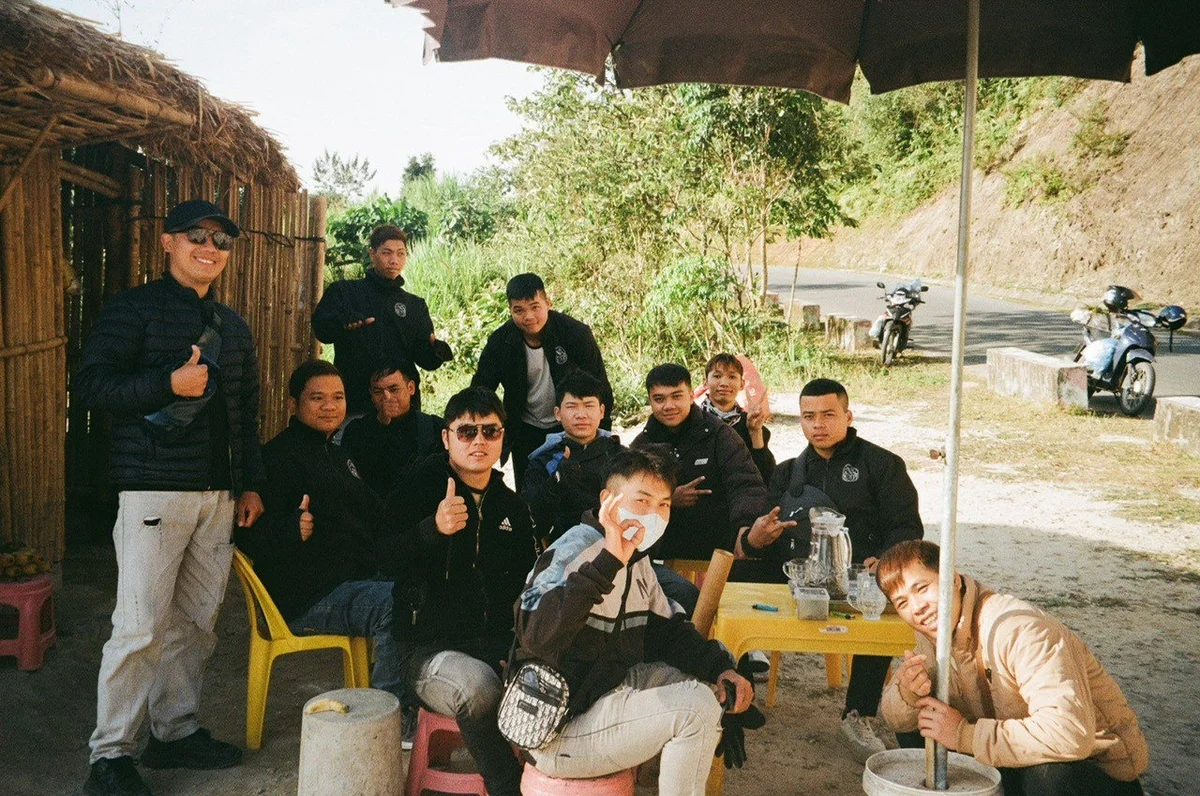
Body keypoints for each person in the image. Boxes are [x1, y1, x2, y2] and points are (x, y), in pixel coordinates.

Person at [75, 199, 265, 796]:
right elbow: (90, 386)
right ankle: (110, 756)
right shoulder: (131, 310)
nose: (210, 249)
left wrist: (249, 481)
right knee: (139, 626)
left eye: (222, 241)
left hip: (218, 494)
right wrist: (168, 383)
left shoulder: (233, 326)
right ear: (167, 243)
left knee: (196, 624)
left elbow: (246, 408)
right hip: (153, 487)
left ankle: (175, 731)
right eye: (196, 237)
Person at [514, 447, 755, 795]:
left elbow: (668, 632)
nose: (653, 515)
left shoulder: (636, 558)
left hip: (605, 694)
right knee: (695, 710)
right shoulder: (572, 550)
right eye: (641, 501)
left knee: (705, 691)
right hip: (556, 729)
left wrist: (720, 670)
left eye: (664, 504)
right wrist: (607, 562)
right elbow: (535, 636)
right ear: (607, 500)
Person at [735, 377, 923, 762]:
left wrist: (885, 559)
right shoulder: (788, 472)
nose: (817, 424)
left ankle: (858, 713)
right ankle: (736, 695)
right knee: (730, 587)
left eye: (827, 414)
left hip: (861, 575)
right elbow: (767, 532)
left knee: (882, 604)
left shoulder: (882, 465)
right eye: (808, 416)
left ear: (847, 415)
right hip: (798, 574)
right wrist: (759, 538)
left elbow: (907, 527)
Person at [878, 540, 1149, 796]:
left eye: (922, 588)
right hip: (1006, 757)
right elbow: (895, 719)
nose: (917, 607)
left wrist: (963, 734)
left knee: (1049, 773)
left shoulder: (1019, 628)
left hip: (1095, 770)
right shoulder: (932, 632)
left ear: (953, 578)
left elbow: (1069, 734)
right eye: (902, 602)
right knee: (921, 722)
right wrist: (909, 693)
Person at [386, 387, 537, 796]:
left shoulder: (511, 506)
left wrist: (522, 649)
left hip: (495, 645)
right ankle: (510, 788)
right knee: (478, 688)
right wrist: (430, 531)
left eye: (490, 431)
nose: (479, 441)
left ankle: (551, 782)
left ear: (504, 437)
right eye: (466, 431)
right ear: (446, 437)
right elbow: (383, 558)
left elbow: (527, 583)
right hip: (426, 650)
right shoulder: (420, 484)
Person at [234, 361, 402, 704]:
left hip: (354, 579)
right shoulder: (276, 459)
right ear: (293, 405)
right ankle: (389, 712)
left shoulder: (338, 455)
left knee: (431, 587)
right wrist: (290, 530)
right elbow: (245, 537)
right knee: (398, 604)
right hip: (307, 597)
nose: (330, 406)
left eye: (338, 397)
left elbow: (378, 515)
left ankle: (417, 698)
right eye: (317, 398)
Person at [631, 364, 769, 615]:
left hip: (717, 541)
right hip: (664, 545)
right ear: (650, 401)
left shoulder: (719, 434)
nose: (668, 406)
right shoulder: (642, 445)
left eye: (676, 396)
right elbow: (627, 500)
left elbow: (746, 484)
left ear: (691, 394)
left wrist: (745, 529)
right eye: (659, 399)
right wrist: (668, 500)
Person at [472, 273, 612, 489]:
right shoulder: (501, 342)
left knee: (577, 488)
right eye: (518, 310)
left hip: (570, 426)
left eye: (535, 307)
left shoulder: (575, 334)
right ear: (510, 310)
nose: (528, 316)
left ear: (548, 303)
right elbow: (481, 390)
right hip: (524, 428)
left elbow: (600, 386)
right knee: (530, 493)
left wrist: (602, 436)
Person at [311, 224, 452, 417]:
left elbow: (425, 359)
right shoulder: (345, 292)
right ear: (372, 253)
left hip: (401, 407)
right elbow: (322, 330)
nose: (394, 260)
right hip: (356, 403)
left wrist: (437, 351)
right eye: (387, 253)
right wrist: (343, 323)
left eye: (400, 254)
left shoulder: (414, 304)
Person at [521, 370, 622, 545]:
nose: (581, 414)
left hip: (618, 547)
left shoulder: (621, 456)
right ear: (557, 413)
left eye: (589, 405)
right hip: (564, 552)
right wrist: (555, 483)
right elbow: (528, 523)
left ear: (602, 411)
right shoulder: (543, 462)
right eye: (572, 406)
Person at [340, 362, 444, 497]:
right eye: (378, 392)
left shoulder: (434, 427)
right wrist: (380, 424)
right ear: (371, 394)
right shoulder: (356, 431)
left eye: (394, 389)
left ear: (411, 388)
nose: (387, 398)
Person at [699, 353, 775, 483]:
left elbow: (766, 476)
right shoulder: (693, 422)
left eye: (732, 377)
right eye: (717, 376)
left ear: (742, 384)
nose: (724, 383)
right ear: (705, 382)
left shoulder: (750, 423)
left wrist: (755, 432)